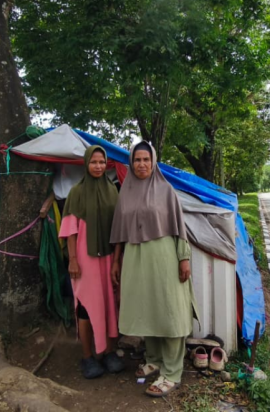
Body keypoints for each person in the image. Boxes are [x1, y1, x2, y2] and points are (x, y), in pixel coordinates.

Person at [110, 141, 197, 398]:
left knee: (169, 311)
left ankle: (171, 372)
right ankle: (154, 358)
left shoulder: (166, 190)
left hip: (164, 257)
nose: (142, 164)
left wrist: (184, 258)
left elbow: (179, 227)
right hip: (135, 257)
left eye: (146, 159)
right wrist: (116, 260)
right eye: (137, 160)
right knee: (148, 308)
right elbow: (119, 231)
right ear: (131, 163)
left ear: (154, 161)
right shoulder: (125, 192)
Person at [59, 146, 125, 379]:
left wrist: (117, 261)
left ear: (106, 164)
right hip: (85, 260)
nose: (97, 166)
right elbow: (69, 231)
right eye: (93, 162)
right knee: (86, 307)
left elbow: (119, 231)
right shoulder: (76, 192)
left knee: (109, 304)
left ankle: (108, 351)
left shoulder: (113, 191)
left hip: (108, 259)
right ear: (86, 164)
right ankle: (87, 356)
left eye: (101, 162)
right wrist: (73, 260)